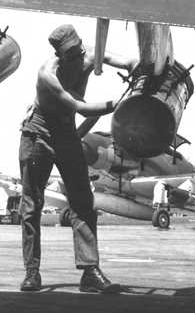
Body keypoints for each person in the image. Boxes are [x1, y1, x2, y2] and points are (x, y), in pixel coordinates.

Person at [19, 24, 136, 293]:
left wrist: (138, 69)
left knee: (83, 200)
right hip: (38, 134)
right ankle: (32, 272)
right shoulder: (48, 74)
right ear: (60, 55)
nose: (80, 55)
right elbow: (81, 108)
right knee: (32, 204)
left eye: (80, 49)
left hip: (66, 133)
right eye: (72, 54)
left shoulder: (88, 54)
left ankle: (90, 272)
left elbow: (121, 60)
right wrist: (120, 103)